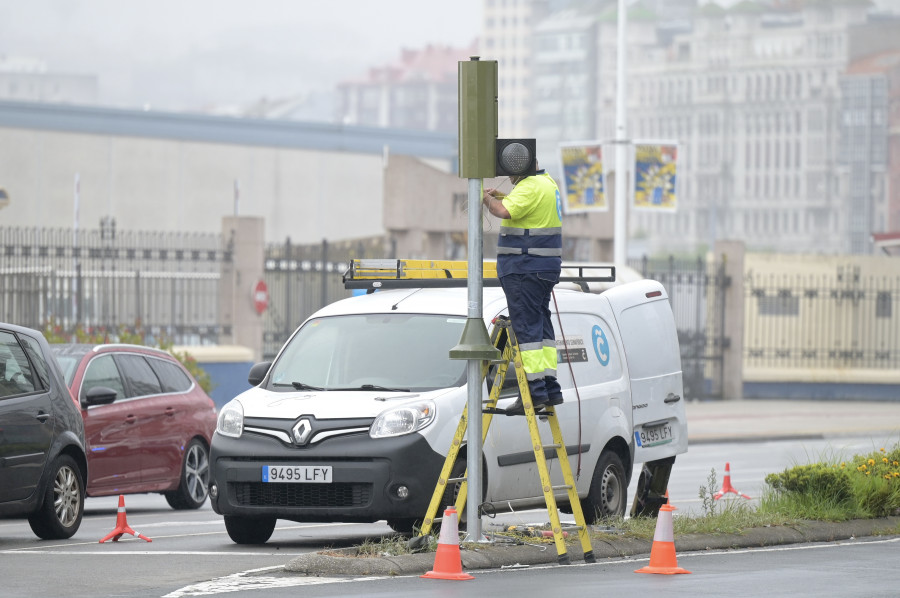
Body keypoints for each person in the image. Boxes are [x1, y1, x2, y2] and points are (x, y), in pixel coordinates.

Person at [482, 163, 563, 415]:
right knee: (542, 327)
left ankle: (534, 392)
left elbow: (503, 211)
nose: (509, 177)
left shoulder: (529, 186)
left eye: (510, 172)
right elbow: (524, 207)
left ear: (520, 168)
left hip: (524, 267)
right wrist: (504, 196)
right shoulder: (547, 183)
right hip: (542, 267)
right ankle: (550, 388)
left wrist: (484, 198)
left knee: (526, 328)